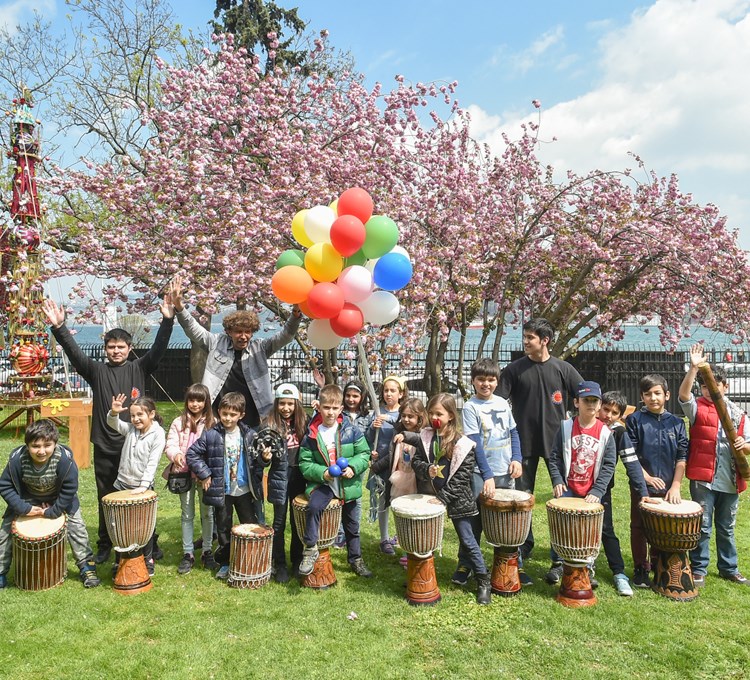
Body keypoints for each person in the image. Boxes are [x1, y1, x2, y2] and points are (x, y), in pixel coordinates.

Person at [42, 295, 174, 564]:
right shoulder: (95, 371)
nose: (116, 351)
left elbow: (159, 349)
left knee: (141, 496)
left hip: (134, 446)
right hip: (104, 445)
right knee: (105, 498)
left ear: (129, 348)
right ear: (105, 349)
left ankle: (148, 540)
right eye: (111, 347)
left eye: (121, 347)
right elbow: (73, 352)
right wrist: (59, 327)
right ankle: (106, 543)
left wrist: (168, 320)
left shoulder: (139, 367)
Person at [497, 317, 583, 583]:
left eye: (530, 338)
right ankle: (523, 547)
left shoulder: (563, 369)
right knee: (522, 500)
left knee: (562, 501)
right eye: (525, 337)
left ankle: (560, 557)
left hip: (558, 447)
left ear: (544, 341)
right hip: (522, 447)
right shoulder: (514, 370)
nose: (525, 342)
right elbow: (498, 405)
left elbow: (585, 396)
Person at [397, 392, 492, 605]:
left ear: (450, 415)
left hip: (457, 499)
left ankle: (483, 581)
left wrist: (444, 498)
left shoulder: (463, 443)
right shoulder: (426, 436)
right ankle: (420, 576)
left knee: (468, 540)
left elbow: (462, 477)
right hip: (430, 495)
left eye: (438, 413)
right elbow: (417, 461)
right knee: (424, 537)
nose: (434, 417)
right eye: (431, 413)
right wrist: (426, 469)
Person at [678, 344, 750, 586]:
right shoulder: (698, 407)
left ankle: (729, 567)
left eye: (714, 385)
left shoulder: (738, 413)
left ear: (725, 386)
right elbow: (683, 396)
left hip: (730, 478)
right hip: (703, 477)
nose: (709, 390)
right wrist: (694, 368)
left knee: (726, 527)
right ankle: (699, 568)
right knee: (703, 526)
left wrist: (744, 445)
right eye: (705, 386)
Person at [0, 419, 100, 589]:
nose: (41, 451)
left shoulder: (64, 460)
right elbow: (5, 485)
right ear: (27, 445)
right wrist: (24, 508)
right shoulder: (17, 460)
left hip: (59, 498)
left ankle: (86, 566)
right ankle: (1, 571)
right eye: (35, 446)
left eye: (47, 445)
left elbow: (70, 488)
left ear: (55, 443)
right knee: (5, 531)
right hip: (28, 498)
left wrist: (54, 511)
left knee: (77, 527)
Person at [185, 392, 271, 580]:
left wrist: (264, 459)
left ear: (241, 415)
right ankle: (225, 562)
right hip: (222, 491)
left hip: (244, 490)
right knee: (223, 528)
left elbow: (258, 462)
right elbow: (192, 454)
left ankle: (252, 558)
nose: (228, 418)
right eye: (224, 414)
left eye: (232, 415)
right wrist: (205, 473)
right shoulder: (211, 434)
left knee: (249, 524)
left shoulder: (250, 435)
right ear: (219, 412)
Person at [455, 357, 522, 586]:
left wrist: (517, 459)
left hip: (505, 470)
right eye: (481, 380)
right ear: (473, 381)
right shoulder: (471, 407)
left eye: (491, 380)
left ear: (497, 381)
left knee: (504, 519)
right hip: (480, 473)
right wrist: (487, 476)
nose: (486, 384)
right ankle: (466, 563)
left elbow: (513, 433)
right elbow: (475, 444)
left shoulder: (503, 403)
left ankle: (509, 564)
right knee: (475, 520)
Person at [545, 381, 617, 586]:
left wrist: (598, 489)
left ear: (599, 403)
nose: (591, 404)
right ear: (576, 402)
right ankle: (558, 563)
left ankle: (587, 566)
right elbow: (555, 456)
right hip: (568, 487)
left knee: (589, 531)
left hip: (591, 490)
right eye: (586, 400)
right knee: (562, 526)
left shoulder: (605, 433)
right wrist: (557, 479)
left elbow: (609, 464)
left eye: (595, 400)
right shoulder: (566, 427)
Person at [298, 384, 373, 579]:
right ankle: (310, 549)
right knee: (314, 508)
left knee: (352, 526)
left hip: (347, 485)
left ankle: (356, 559)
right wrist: (323, 473)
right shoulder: (312, 434)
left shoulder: (351, 431)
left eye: (334, 408)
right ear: (319, 407)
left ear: (341, 409)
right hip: (324, 484)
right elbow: (305, 463)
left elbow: (364, 453)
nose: (330, 412)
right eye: (326, 408)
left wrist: (353, 468)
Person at [626, 374, 688, 588]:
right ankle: (641, 568)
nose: (653, 398)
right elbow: (630, 455)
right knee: (639, 526)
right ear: (642, 397)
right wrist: (647, 478)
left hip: (669, 488)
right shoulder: (634, 420)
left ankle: (660, 565)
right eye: (648, 394)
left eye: (657, 393)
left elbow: (682, 457)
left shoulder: (677, 423)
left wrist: (676, 486)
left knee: (663, 528)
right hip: (641, 485)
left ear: (667, 395)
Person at [597, 391, 651, 596]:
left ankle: (619, 573)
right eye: (606, 409)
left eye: (614, 412)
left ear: (620, 415)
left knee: (606, 530)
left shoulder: (618, 433)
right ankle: (564, 566)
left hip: (602, 489)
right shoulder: (582, 424)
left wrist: (642, 491)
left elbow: (632, 463)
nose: (608, 415)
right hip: (578, 487)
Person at [107, 394, 166, 575]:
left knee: (144, 526)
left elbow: (152, 462)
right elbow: (114, 424)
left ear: (152, 414)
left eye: (140, 414)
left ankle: (148, 559)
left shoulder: (158, 434)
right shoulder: (131, 429)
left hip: (143, 488)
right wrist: (114, 413)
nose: (135, 419)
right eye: (132, 415)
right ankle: (120, 560)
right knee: (120, 525)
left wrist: (144, 486)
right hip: (122, 484)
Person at [164, 384, 217, 575]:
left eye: (199, 400)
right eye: (191, 400)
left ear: (206, 402)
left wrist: (208, 473)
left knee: (208, 514)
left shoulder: (213, 422)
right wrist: (176, 454)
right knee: (187, 514)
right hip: (183, 474)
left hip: (205, 476)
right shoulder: (179, 422)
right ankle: (188, 553)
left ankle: (207, 550)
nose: (195, 404)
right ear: (187, 401)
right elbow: (170, 443)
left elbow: (216, 449)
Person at [371, 397, 426, 566]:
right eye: (404, 416)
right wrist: (376, 466)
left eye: (411, 416)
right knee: (401, 515)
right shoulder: (398, 432)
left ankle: (413, 550)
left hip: (416, 481)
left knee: (415, 516)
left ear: (419, 417)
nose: (407, 420)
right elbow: (391, 453)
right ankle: (403, 545)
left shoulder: (424, 435)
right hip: (399, 478)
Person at [262, 382, 308, 582]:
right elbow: (259, 456)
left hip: (300, 476)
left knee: (297, 520)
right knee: (279, 522)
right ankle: (279, 563)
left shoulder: (304, 422)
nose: (286, 408)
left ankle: (297, 560)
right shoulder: (268, 424)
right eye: (282, 403)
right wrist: (264, 457)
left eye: (290, 403)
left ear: (297, 404)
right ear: (276, 403)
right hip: (280, 477)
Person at [365, 375, 407, 555]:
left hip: (399, 464)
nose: (388, 394)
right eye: (386, 390)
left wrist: (389, 420)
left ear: (401, 393)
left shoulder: (403, 413)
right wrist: (372, 429)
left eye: (393, 390)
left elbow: (405, 429)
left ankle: (401, 535)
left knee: (400, 500)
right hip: (381, 462)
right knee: (383, 500)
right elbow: (368, 439)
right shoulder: (376, 411)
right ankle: (384, 538)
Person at [333, 379, 372, 549]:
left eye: (355, 396)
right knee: (338, 494)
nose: (351, 399)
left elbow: (369, 441)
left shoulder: (368, 416)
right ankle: (339, 532)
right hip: (339, 458)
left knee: (354, 496)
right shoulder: (340, 414)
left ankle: (352, 531)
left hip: (357, 461)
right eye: (348, 395)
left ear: (362, 397)